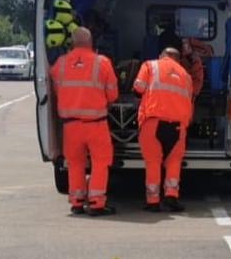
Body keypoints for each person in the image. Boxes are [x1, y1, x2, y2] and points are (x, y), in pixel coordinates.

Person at [49, 28, 119, 216]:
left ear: (72, 42)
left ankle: (77, 202)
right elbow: (113, 94)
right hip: (96, 124)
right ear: (91, 42)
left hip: (71, 125)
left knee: (75, 164)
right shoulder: (102, 63)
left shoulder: (60, 64)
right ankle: (96, 203)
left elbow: (55, 90)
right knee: (100, 162)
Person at [133, 47, 194, 212]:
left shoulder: (150, 66)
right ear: (178, 60)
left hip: (153, 122)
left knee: (153, 162)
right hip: (178, 126)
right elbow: (189, 99)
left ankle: (153, 201)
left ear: (161, 56)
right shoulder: (186, 76)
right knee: (174, 162)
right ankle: (171, 197)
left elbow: (138, 88)